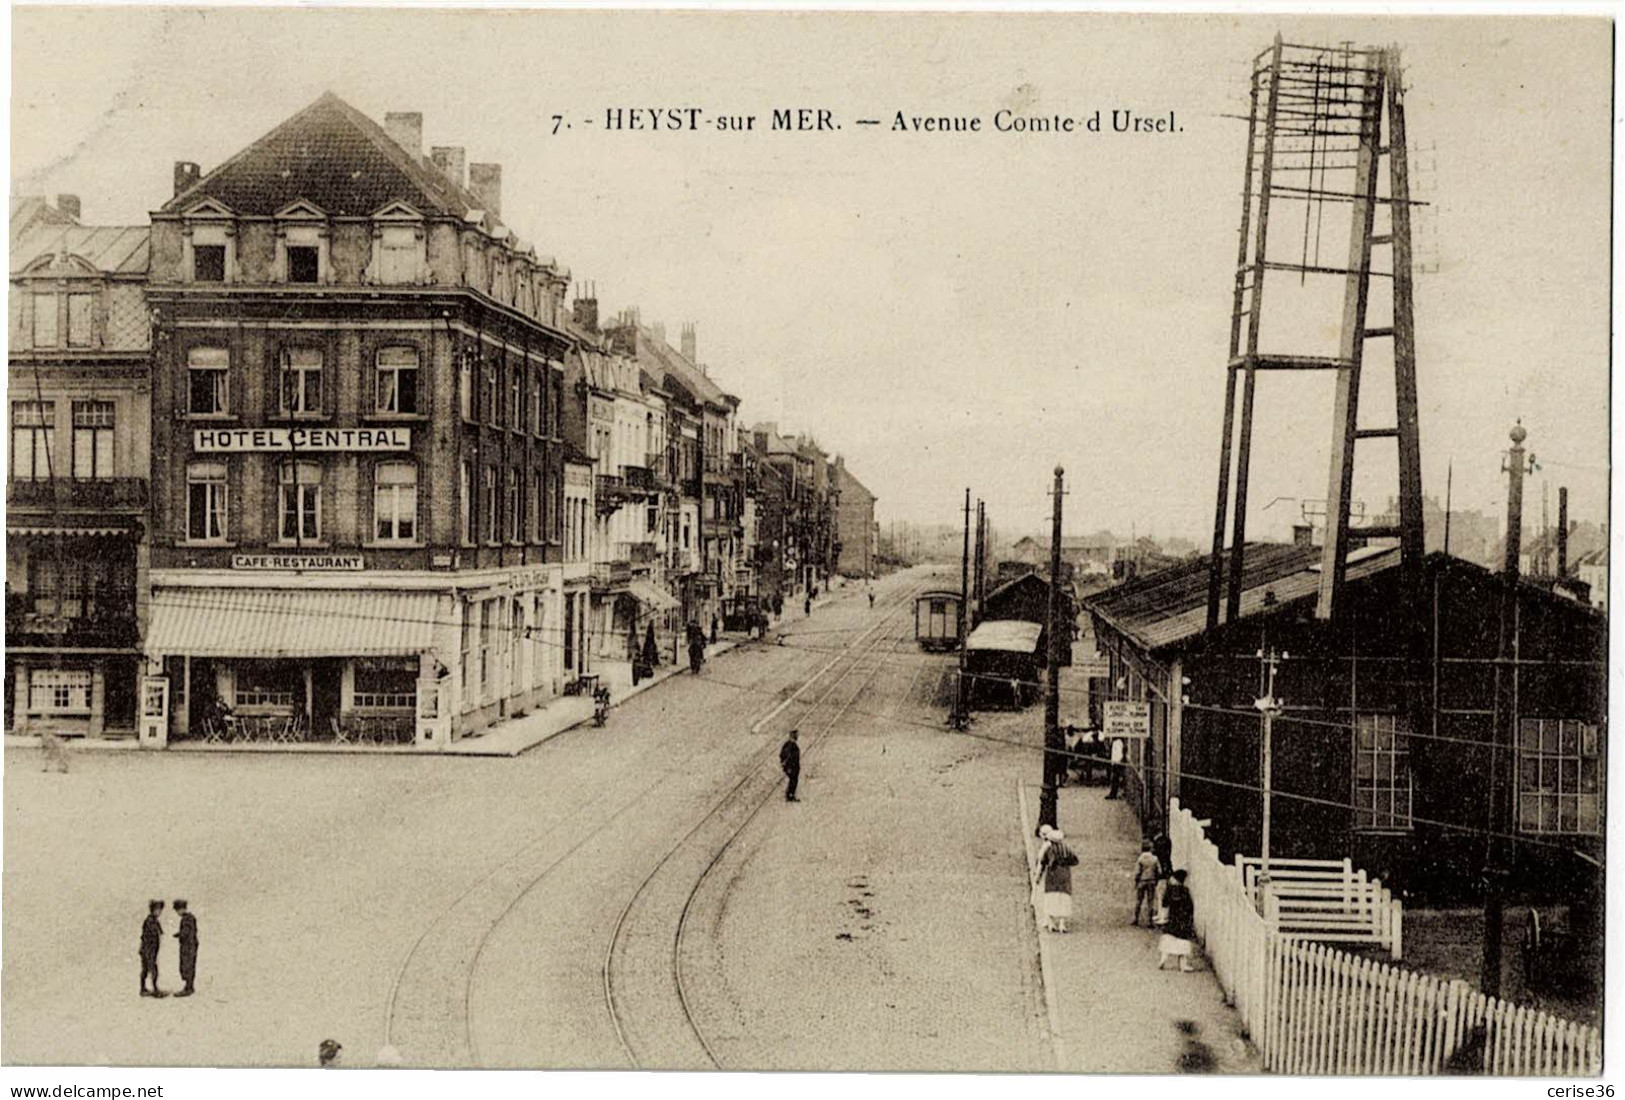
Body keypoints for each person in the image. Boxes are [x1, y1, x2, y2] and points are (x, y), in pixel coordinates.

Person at [1035, 828, 1079, 933]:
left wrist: (1038, 877)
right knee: (1063, 898)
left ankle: (1051, 923)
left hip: (1052, 875)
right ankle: (1062, 924)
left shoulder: (1050, 849)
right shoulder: (1066, 848)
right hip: (1064, 875)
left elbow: (1042, 862)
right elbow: (1075, 860)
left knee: (1051, 897)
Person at [1158, 869, 1197, 972]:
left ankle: (1163, 959)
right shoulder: (1185, 891)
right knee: (1183, 942)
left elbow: (1164, 904)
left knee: (1168, 938)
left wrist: (1163, 917)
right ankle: (1183, 965)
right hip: (1183, 919)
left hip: (1172, 917)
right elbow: (1190, 906)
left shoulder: (1169, 890)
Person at [139, 900, 166, 998]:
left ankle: (144, 988)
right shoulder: (150, 921)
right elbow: (150, 935)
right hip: (148, 949)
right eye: (157, 910)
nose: (159, 912)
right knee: (151, 969)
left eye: (160, 910)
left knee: (146, 969)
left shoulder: (153, 920)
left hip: (149, 949)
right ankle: (154, 989)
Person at [173, 899, 198, 996]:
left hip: (188, 946)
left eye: (177, 910)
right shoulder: (189, 918)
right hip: (189, 945)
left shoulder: (187, 918)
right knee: (187, 965)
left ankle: (189, 987)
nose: (177, 913)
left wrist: (180, 935)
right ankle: (189, 986)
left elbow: (187, 932)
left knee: (187, 965)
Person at [1133, 840, 1161, 927]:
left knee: (1139, 900)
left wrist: (1136, 881)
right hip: (1151, 881)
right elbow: (1159, 871)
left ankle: (1136, 919)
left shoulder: (1140, 859)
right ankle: (1150, 922)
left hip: (1142, 881)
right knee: (1150, 901)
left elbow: (1137, 872)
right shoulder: (1155, 859)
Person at [779, 729, 801, 802]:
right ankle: (790, 795)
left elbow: (781, 755)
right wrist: (788, 766)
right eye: (796, 735)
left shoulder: (787, 744)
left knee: (793, 780)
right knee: (793, 780)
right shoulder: (791, 746)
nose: (797, 737)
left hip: (792, 767)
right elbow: (789, 757)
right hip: (791, 767)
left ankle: (790, 794)